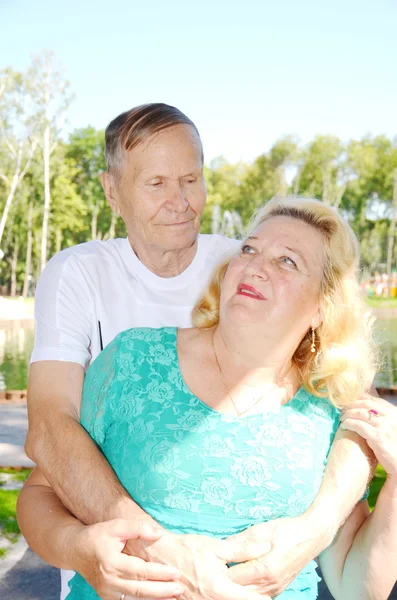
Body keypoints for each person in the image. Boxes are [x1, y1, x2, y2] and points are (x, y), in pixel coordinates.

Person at [19, 104, 375, 600]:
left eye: (191, 179)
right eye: (156, 183)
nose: (180, 201)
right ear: (111, 192)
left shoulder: (245, 265)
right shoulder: (81, 278)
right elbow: (51, 430)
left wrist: (316, 528)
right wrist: (152, 550)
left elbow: (355, 408)